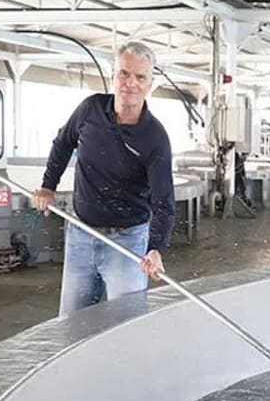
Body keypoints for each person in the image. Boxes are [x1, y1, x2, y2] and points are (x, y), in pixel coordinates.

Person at [32, 41, 175, 317]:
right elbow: (63, 143)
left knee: (125, 325)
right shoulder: (90, 110)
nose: (130, 83)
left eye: (140, 77)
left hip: (127, 241)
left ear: (149, 84)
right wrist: (48, 186)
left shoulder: (155, 138)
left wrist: (156, 247)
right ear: (113, 75)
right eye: (124, 73)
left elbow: (163, 201)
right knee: (70, 323)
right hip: (80, 235)